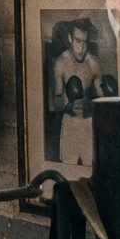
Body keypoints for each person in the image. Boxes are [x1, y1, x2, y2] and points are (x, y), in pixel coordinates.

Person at [48, 18, 111, 167]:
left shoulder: (93, 64)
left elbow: (103, 100)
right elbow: (56, 103)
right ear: (70, 38)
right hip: (69, 123)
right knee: (68, 169)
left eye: (85, 42)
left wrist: (106, 94)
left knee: (91, 169)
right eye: (78, 41)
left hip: (88, 123)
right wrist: (68, 101)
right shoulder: (61, 63)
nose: (81, 47)